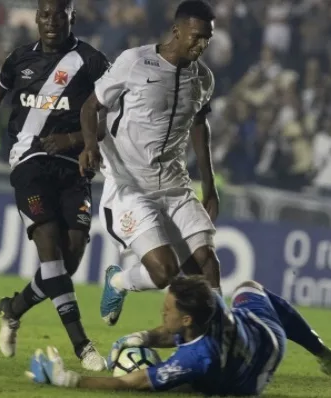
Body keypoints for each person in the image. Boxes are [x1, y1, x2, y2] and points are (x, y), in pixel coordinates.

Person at [0, 0, 109, 371]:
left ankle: (13, 308)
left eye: (60, 15)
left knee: (69, 258)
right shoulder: (18, 59)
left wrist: (73, 140)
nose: (51, 22)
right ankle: (82, 346)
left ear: (73, 17)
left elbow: (116, 118)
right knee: (49, 249)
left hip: (74, 167)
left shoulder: (93, 61)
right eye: (45, 15)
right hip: (29, 161)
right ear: (36, 18)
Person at [78, 0, 221, 328]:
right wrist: (89, 146)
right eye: (197, 37)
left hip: (175, 184)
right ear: (177, 30)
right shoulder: (134, 62)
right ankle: (117, 282)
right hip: (129, 185)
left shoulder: (203, 79)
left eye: (207, 39)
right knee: (164, 272)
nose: (202, 45)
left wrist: (210, 186)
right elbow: (90, 107)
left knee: (207, 267)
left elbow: (199, 125)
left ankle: (218, 337)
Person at [25, 275, 331, 396]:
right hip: (260, 330)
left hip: (259, 365)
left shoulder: (194, 357)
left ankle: (317, 347)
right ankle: (323, 353)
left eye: (168, 311)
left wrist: (70, 380)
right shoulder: (210, 304)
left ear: (188, 318)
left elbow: (130, 382)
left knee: (185, 387)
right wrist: (143, 338)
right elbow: (176, 329)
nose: (162, 315)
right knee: (249, 286)